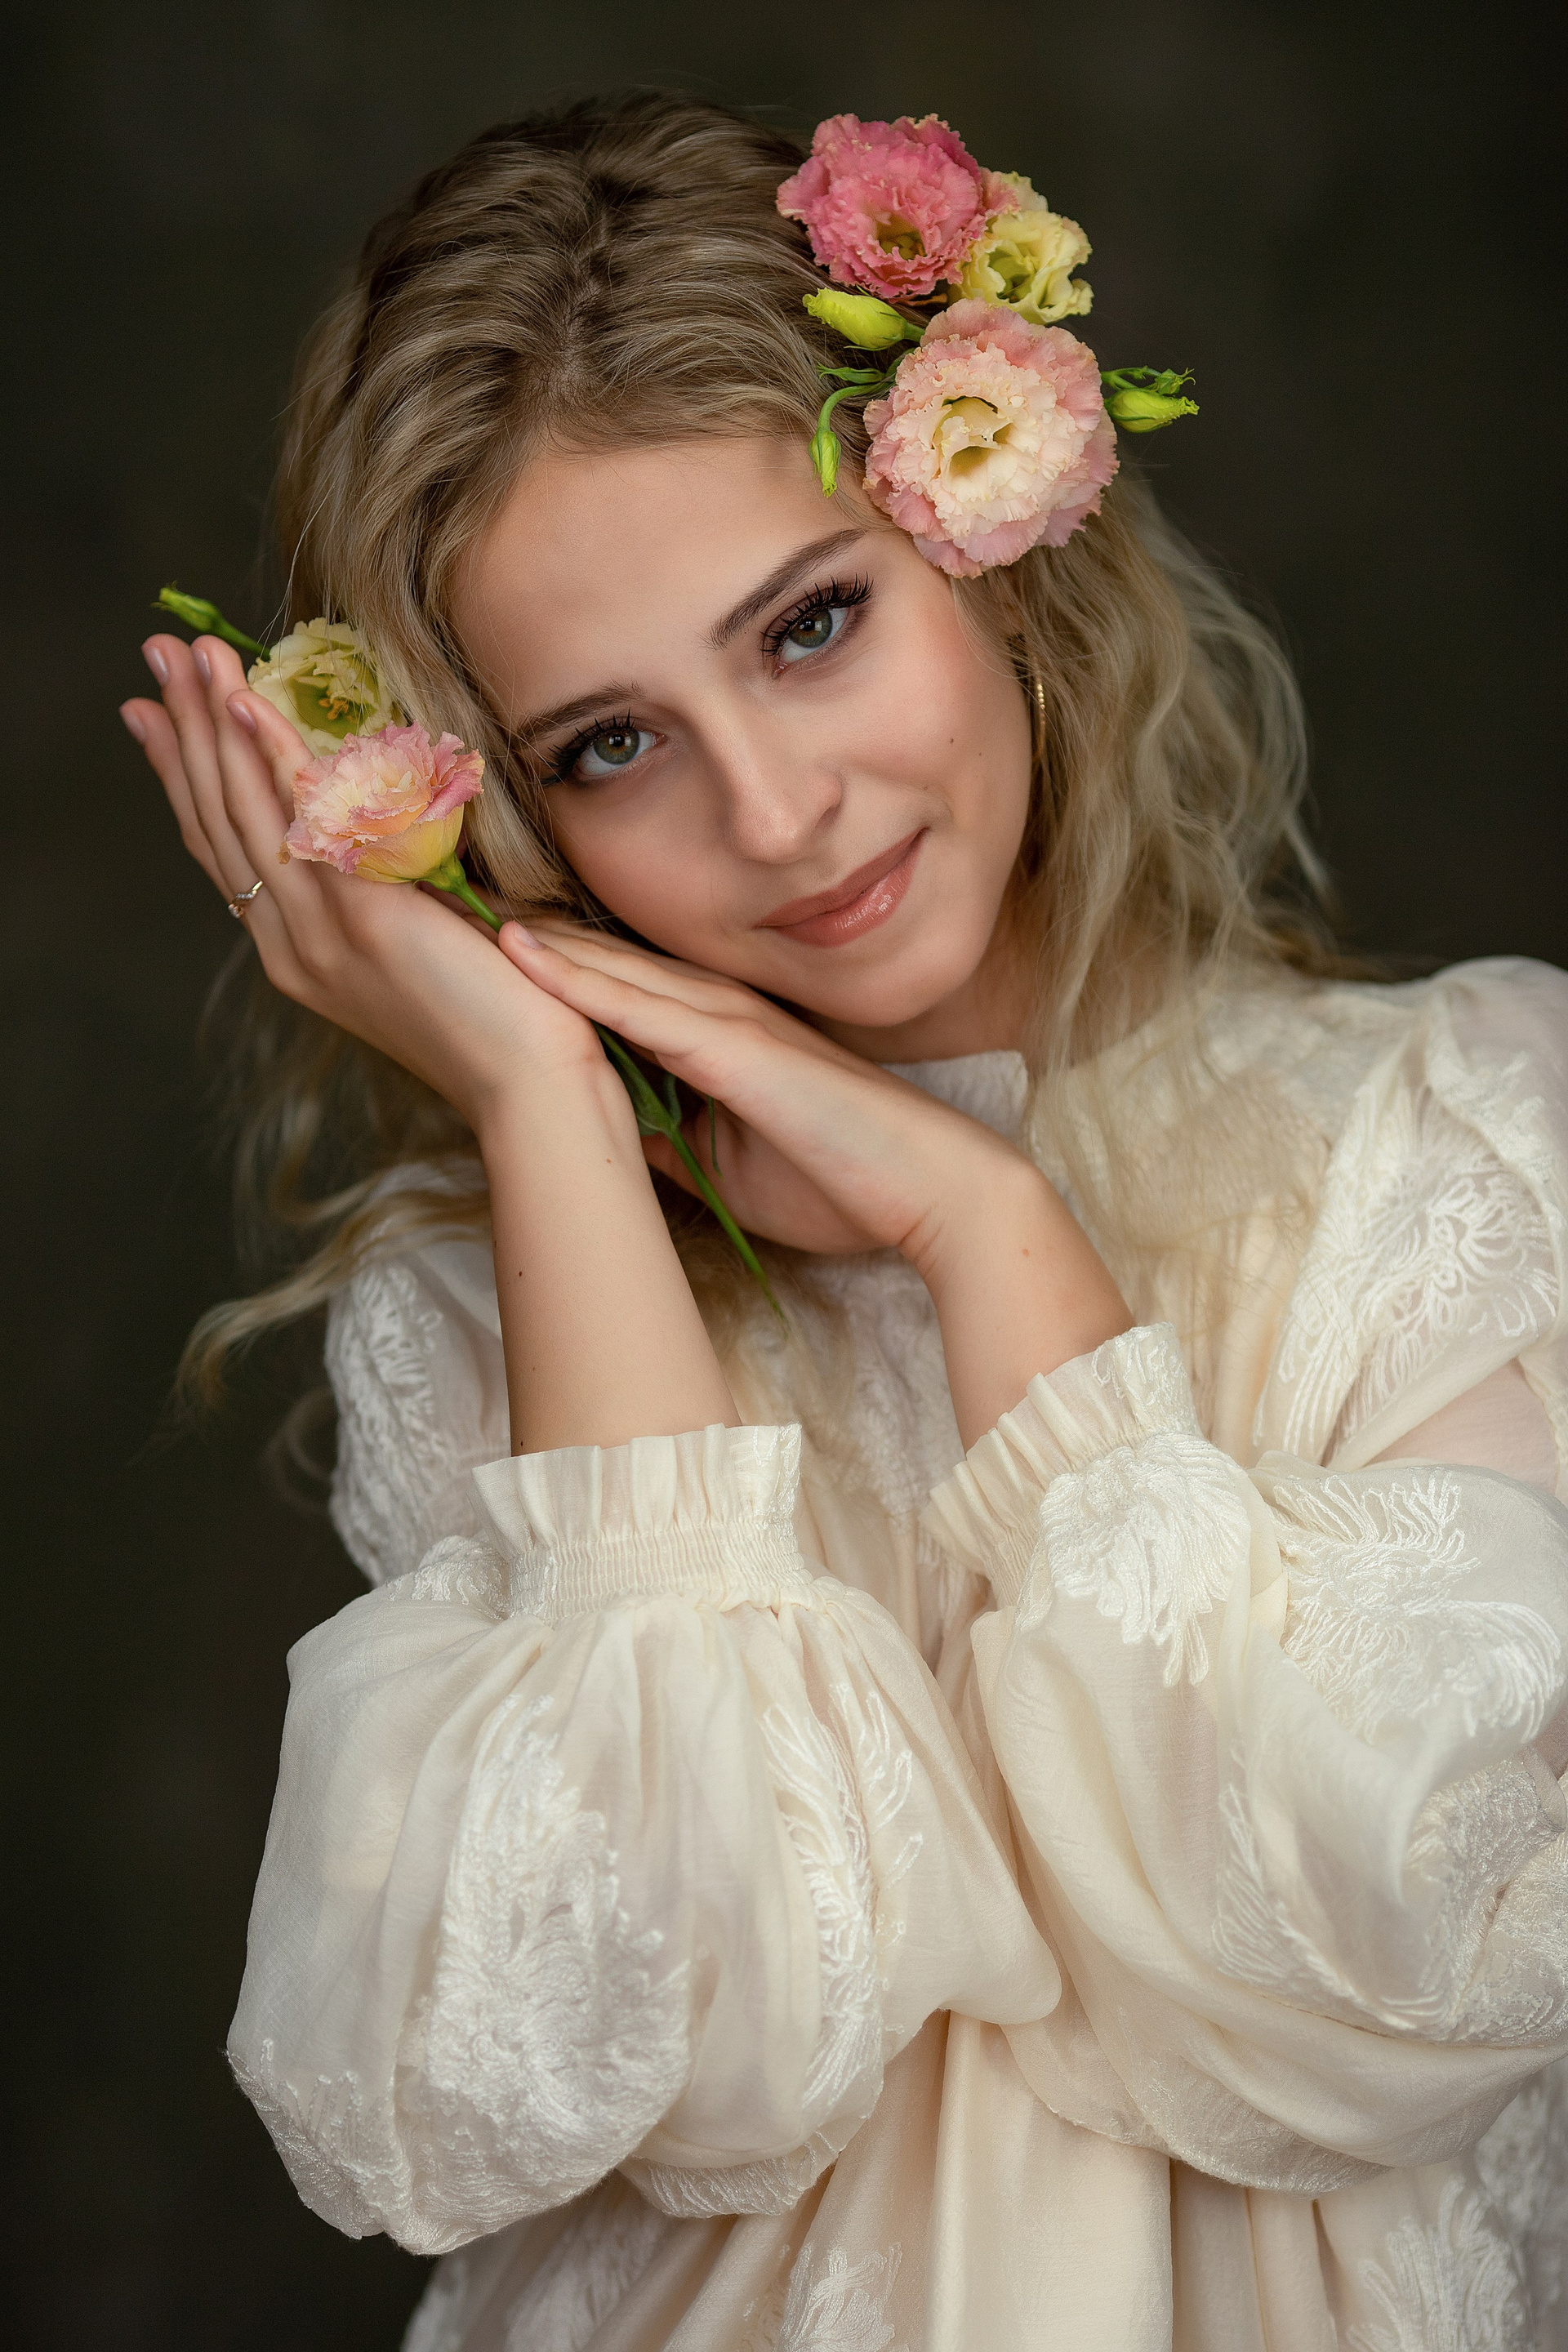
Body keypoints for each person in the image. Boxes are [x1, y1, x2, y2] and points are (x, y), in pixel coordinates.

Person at [120, 92, 1568, 2352]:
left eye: (809, 625)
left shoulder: (1456, 1138)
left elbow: (1393, 1981)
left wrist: (988, 1232)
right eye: (608, 746)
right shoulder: (503, 1291)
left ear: (995, 546)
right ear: (499, 816)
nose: (779, 813)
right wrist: (544, 1105)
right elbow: (661, 2069)